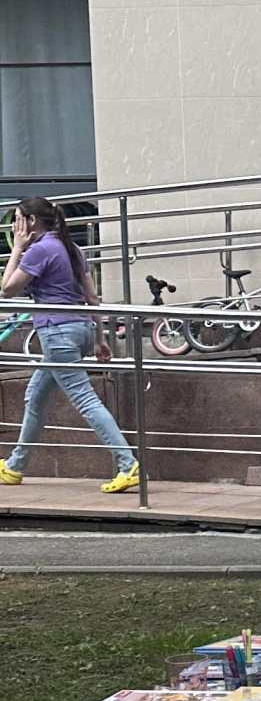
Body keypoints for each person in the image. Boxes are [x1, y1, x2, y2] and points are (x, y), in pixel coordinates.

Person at [0, 197, 139, 493]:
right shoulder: (73, 248)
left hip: (58, 333)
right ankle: (14, 466)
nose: (15, 225)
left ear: (31, 222)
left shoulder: (39, 250)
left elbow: (8, 288)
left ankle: (128, 465)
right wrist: (100, 338)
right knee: (35, 396)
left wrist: (16, 248)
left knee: (85, 400)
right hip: (82, 329)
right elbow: (92, 298)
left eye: (19, 219)